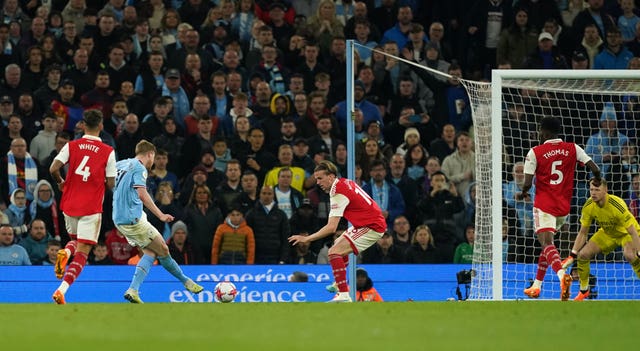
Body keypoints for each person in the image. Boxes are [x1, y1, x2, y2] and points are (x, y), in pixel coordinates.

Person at [516, 116, 601, 301]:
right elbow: (595, 169)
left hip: (545, 205)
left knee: (546, 244)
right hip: (563, 208)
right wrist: (598, 182)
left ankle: (562, 276)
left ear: (544, 131)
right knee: (548, 247)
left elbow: (528, 183)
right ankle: (536, 287)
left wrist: (522, 192)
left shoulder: (535, 152)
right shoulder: (573, 148)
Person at [113, 140, 203, 303]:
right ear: (150, 154)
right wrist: (161, 214)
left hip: (121, 217)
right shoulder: (140, 168)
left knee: (152, 251)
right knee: (162, 249)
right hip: (132, 218)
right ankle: (186, 281)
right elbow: (142, 193)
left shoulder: (122, 164)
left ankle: (134, 289)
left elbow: (108, 179)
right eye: (153, 157)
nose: (153, 162)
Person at [288, 160, 387, 302]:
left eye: (320, 178)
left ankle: (344, 294)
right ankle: (338, 281)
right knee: (337, 244)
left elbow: (331, 227)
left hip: (371, 227)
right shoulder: (344, 182)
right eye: (316, 179)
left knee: (333, 252)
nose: (318, 182)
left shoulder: (337, 192)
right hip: (367, 223)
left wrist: (307, 239)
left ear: (331, 176)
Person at [49, 109, 117, 305]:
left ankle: (66, 252)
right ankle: (61, 290)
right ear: (101, 126)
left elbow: (53, 168)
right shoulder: (108, 151)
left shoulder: (72, 145)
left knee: (75, 241)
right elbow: (111, 184)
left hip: (69, 203)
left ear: (83, 125)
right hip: (91, 206)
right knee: (83, 252)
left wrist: (61, 182)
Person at [561, 178, 640, 301]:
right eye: (591, 189)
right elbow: (583, 233)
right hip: (607, 233)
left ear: (605, 190)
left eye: (597, 190)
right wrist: (573, 254)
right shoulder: (588, 206)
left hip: (626, 234)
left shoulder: (616, 205)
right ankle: (584, 291)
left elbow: (633, 232)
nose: (593, 193)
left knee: (630, 255)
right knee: (583, 255)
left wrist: (639, 252)